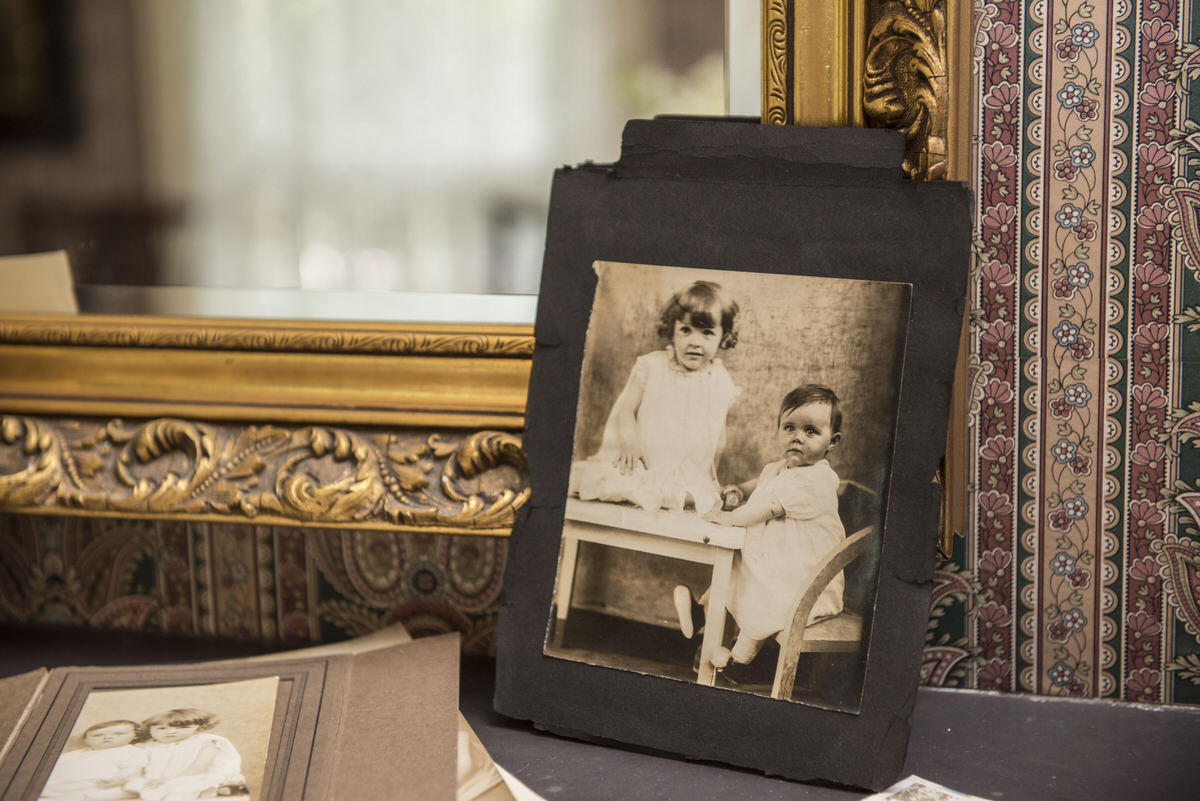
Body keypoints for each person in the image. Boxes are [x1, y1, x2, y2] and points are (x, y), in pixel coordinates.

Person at [681, 385, 847, 679]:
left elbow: (769, 506)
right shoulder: (778, 467)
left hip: (803, 575)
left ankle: (741, 663)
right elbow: (757, 486)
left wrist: (728, 518)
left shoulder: (817, 480)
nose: (797, 437)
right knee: (735, 572)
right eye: (789, 427)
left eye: (811, 431)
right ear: (779, 430)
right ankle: (703, 616)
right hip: (777, 562)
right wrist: (735, 491)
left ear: (831, 441)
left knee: (766, 596)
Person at [569, 280, 741, 514]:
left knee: (694, 495)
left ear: (724, 337)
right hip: (643, 461)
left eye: (707, 333)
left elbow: (718, 434)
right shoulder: (652, 366)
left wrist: (710, 476)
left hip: (684, 466)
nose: (694, 342)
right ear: (672, 331)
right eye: (686, 330)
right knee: (622, 483)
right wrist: (631, 444)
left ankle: (678, 489)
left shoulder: (720, 380)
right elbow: (626, 410)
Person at [123, 709, 246, 801]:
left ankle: (214, 789)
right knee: (135, 786)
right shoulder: (150, 746)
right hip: (158, 780)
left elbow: (201, 766)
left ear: (197, 727)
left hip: (193, 775)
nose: (171, 732)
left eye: (183, 727)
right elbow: (139, 767)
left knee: (182, 791)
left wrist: (170, 781)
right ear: (150, 730)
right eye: (162, 728)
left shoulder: (205, 741)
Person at [39, 720, 146, 801]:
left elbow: (134, 768)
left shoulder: (130, 751)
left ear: (135, 736)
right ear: (86, 739)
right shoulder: (76, 753)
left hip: (100, 782)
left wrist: (118, 779)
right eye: (97, 735)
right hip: (64, 782)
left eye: (118, 734)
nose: (107, 737)